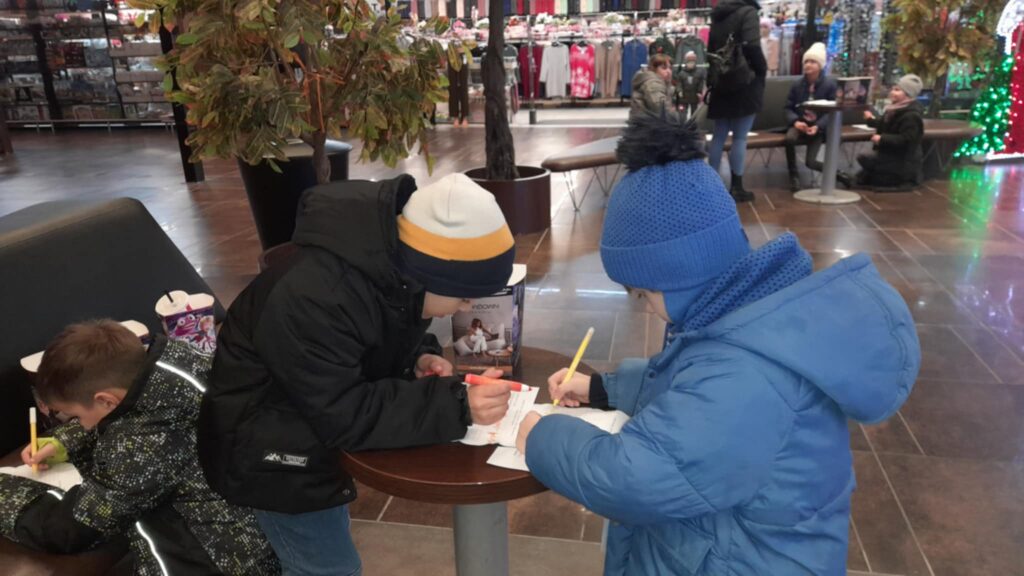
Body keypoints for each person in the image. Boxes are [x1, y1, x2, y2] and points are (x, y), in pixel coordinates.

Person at [516, 114, 920, 575]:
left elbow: (636, 478)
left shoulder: (744, 374)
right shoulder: (748, 316)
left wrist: (542, 437)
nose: (645, 306)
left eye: (644, 293)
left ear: (680, 275)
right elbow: (689, 391)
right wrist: (604, 389)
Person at [198, 173, 516, 576]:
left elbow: (377, 331)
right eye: (465, 294)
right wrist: (455, 403)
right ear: (430, 275)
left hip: (305, 433)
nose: (467, 306)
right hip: (269, 456)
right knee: (329, 569)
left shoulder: (389, 268)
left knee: (325, 549)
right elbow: (345, 413)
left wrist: (417, 358)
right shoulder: (315, 298)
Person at [3, 320, 279, 575]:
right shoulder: (185, 361)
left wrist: (6, 492)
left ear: (106, 400)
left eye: (75, 416)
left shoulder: (139, 448)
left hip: (219, 561)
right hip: (271, 527)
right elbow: (141, 408)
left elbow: (70, 529)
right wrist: (64, 440)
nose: (80, 424)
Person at [705, 0, 768, 203]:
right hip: (744, 81)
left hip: (721, 82)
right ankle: (737, 187)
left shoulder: (718, 15)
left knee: (718, 136)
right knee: (740, 138)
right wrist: (761, 70)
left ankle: (712, 186)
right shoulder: (748, 12)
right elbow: (752, 46)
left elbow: (711, 50)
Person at [838, 74, 925, 191]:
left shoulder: (911, 116)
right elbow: (886, 125)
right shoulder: (895, 110)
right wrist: (870, 120)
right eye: (893, 89)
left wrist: (882, 139)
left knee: (865, 160)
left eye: (897, 90)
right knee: (863, 169)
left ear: (908, 94)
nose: (892, 93)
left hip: (901, 161)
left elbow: (907, 140)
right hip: (892, 155)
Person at [783, 42, 838, 192]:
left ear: (820, 65)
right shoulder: (797, 85)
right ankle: (793, 175)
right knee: (789, 139)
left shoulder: (829, 85)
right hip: (800, 123)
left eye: (813, 62)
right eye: (806, 61)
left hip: (817, 127)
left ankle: (837, 174)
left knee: (811, 162)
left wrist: (818, 126)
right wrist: (795, 121)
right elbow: (788, 107)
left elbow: (832, 111)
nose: (808, 65)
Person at [630, 54, 675, 121]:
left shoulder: (659, 82)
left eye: (670, 68)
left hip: (645, 123)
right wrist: (674, 117)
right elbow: (661, 108)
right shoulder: (653, 84)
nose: (668, 71)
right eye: (664, 68)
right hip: (648, 124)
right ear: (653, 69)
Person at [674, 51, 705, 119]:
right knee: (682, 113)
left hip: (694, 96)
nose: (691, 64)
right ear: (686, 62)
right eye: (689, 62)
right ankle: (682, 122)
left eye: (692, 62)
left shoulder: (699, 73)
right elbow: (679, 83)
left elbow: (701, 83)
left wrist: (699, 92)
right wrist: (679, 91)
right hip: (684, 97)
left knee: (694, 113)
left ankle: (693, 123)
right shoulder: (681, 73)